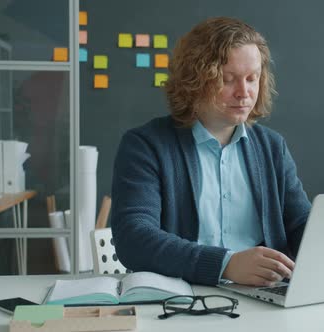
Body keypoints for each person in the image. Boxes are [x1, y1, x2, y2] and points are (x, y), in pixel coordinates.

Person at [111, 17, 311, 287]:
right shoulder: (146, 145)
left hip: (264, 295)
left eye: (252, 78)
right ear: (194, 81)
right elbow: (134, 239)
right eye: (228, 80)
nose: (244, 93)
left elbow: (301, 224)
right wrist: (225, 264)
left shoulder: (272, 147)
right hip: (181, 297)